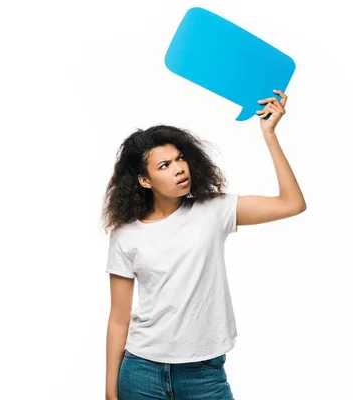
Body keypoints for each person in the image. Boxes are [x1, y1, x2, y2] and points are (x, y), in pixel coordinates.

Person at [102, 90, 306, 400]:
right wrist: (110, 391)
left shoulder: (214, 210)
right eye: (165, 165)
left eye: (180, 158)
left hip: (203, 375)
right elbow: (119, 318)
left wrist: (269, 135)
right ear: (145, 181)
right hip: (141, 372)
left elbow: (291, 203)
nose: (179, 168)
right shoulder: (126, 235)